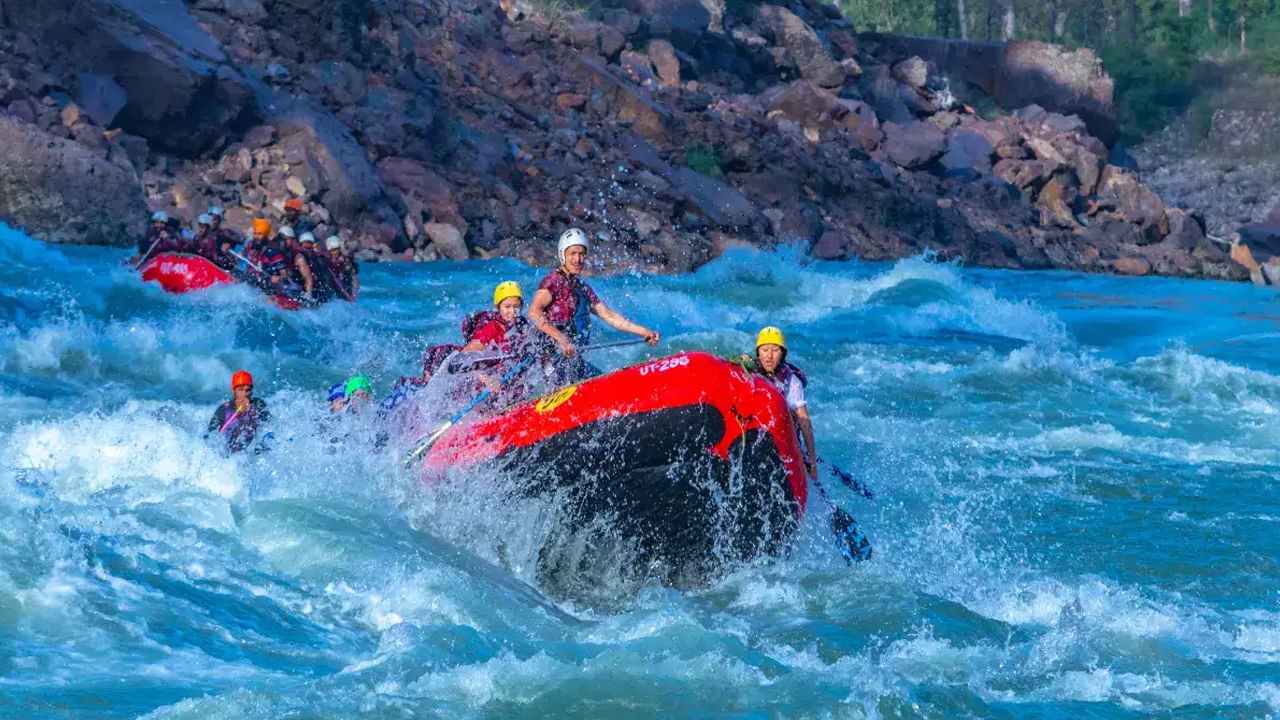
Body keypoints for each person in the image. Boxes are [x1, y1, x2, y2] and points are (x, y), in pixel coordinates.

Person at [527, 228, 659, 382]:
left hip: (573, 361)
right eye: (573, 253)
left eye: (582, 254)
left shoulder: (583, 289)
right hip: (552, 363)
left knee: (609, 384)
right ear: (563, 255)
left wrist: (644, 332)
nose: (578, 259)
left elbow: (608, 315)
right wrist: (561, 339)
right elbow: (534, 312)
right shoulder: (553, 282)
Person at [735, 327, 818, 480]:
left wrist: (812, 461)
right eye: (765, 350)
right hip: (754, 432)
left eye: (775, 350)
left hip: (782, 438)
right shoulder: (748, 369)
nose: (769, 356)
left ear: (783, 354)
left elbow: (804, 421)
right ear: (758, 353)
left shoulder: (791, 381)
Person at [206, 370, 271, 453]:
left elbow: (269, 425)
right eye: (240, 390)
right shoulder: (223, 409)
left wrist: (252, 411)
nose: (244, 394)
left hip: (252, 452)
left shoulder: (258, 404)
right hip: (230, 455)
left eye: (248, 390)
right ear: (234, 391)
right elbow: (210, 435)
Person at [326, 235, 359, 301]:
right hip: (333, 286)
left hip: (345, 286)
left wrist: (354, 295)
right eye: (333, 250)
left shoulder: (345, 261)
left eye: (337, 249)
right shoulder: (326, 260)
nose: (335, 252)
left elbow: (355, 280)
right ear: (329, 251)